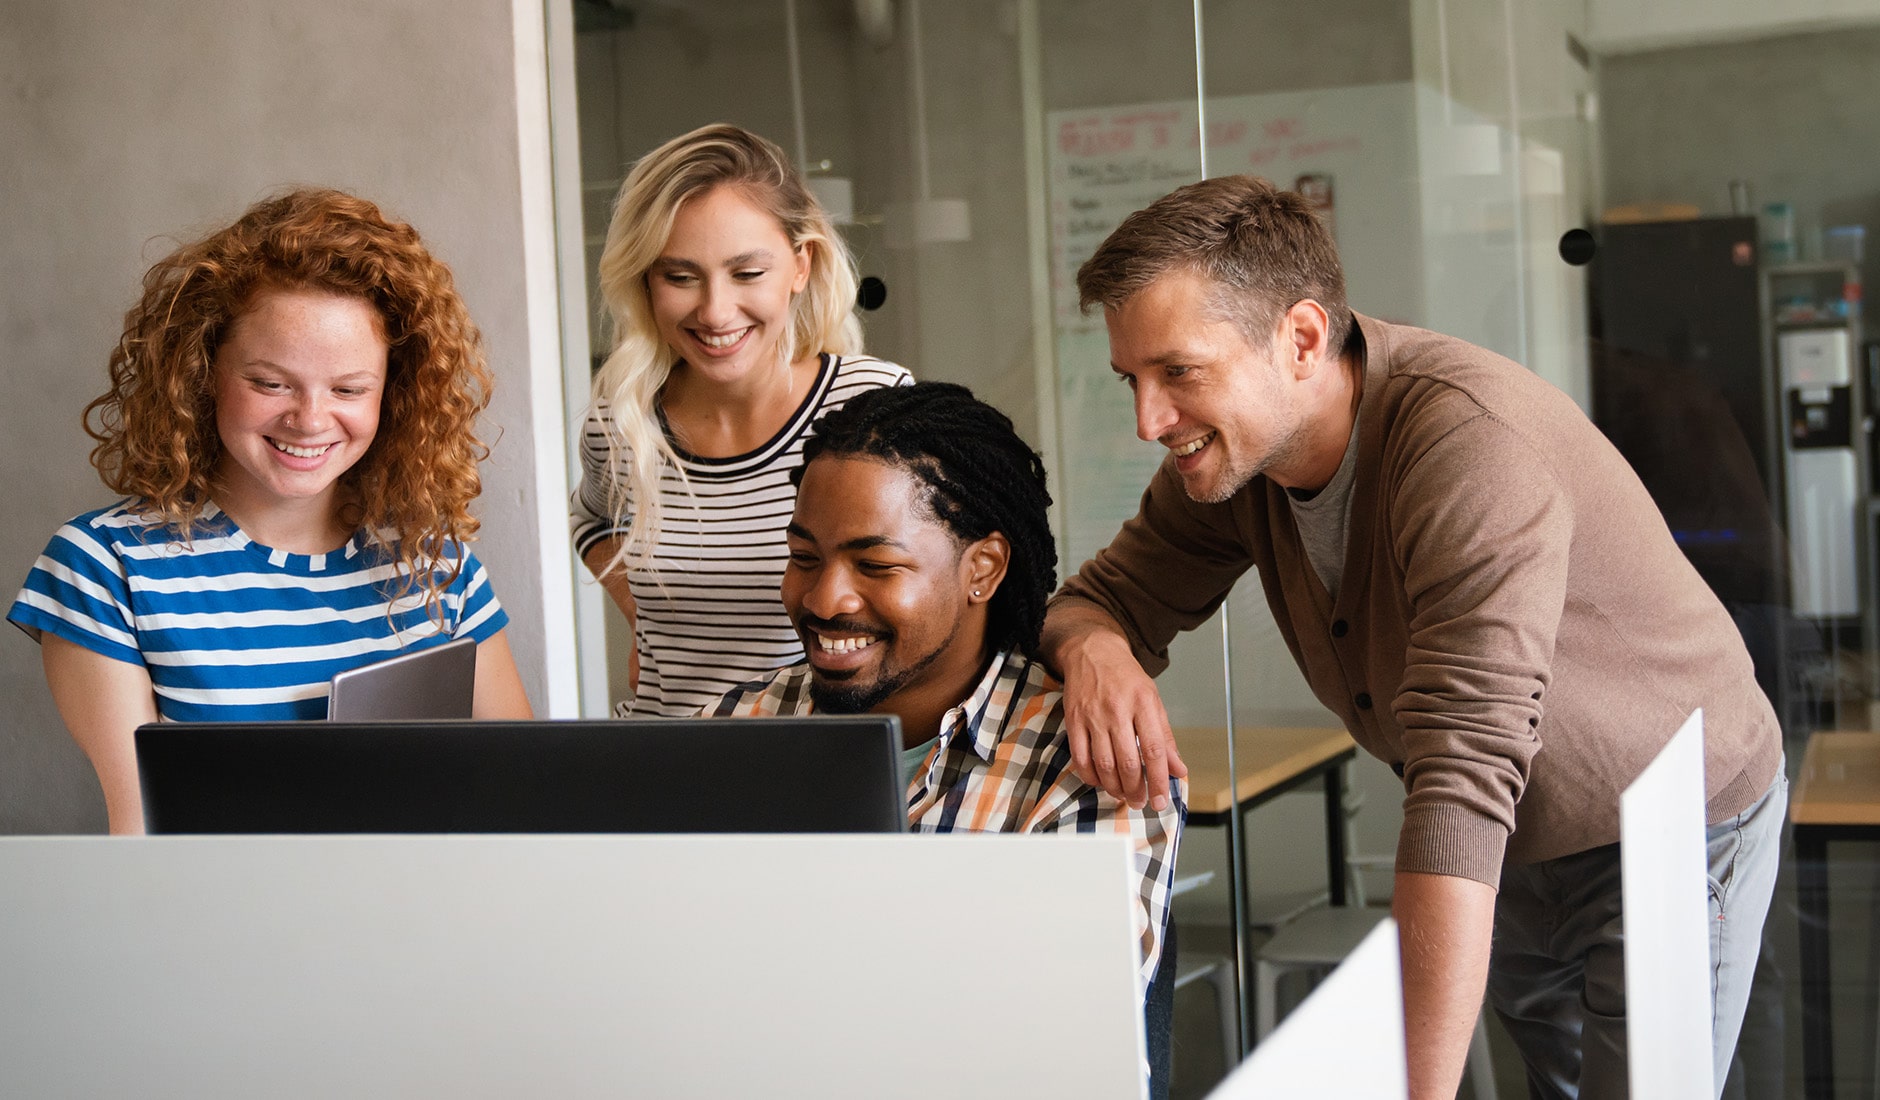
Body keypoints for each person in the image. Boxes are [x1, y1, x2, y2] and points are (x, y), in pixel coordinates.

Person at [1041, 175, 1784, 1099]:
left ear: (1303, 339)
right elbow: (1095, 600)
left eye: (1179, 372)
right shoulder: (1235, 456)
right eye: (1133, 380)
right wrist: (1098, 647)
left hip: (1672, 809)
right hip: (1516, 833)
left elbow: (1461, 777)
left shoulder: (1464, 445)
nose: (1150, 420)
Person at [8, 188, 533, 835]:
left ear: (392, 393)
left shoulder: (438, 566)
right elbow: (138, 836)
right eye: (270, 382)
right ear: (203, 371)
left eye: (348, 388)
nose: (310, 419)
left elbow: (521, 802)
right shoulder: (105, 567)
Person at [711, 382, 1185, 1093]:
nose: (822, 598)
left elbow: (1054, 1036)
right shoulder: (740, 730)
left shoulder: (1089, 757)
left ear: (982, 570)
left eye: (876, 565)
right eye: (805, 558)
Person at [573, 123, 911, 717]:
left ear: (800, 267)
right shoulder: (620, 423)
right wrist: (641, 615)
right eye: (680, 276)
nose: (715, 310)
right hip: (663, 770)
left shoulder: (876, 405)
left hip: (821, 772)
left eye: (747, 273)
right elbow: (591, 518)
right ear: (646, 281)